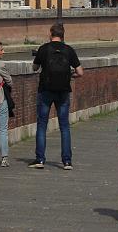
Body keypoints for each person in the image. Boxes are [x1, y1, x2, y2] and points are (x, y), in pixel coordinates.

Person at [28, 23, 84, 170]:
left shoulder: (43, 49)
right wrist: (70, 75)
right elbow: (80, 72)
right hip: (63, 92)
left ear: (50, 34)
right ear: (63, 35)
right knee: (64, 126)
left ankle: (40, 159)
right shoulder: (69, 50)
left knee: (42, 125)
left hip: (45, 90)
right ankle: (67, 161)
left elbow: (35, 68)